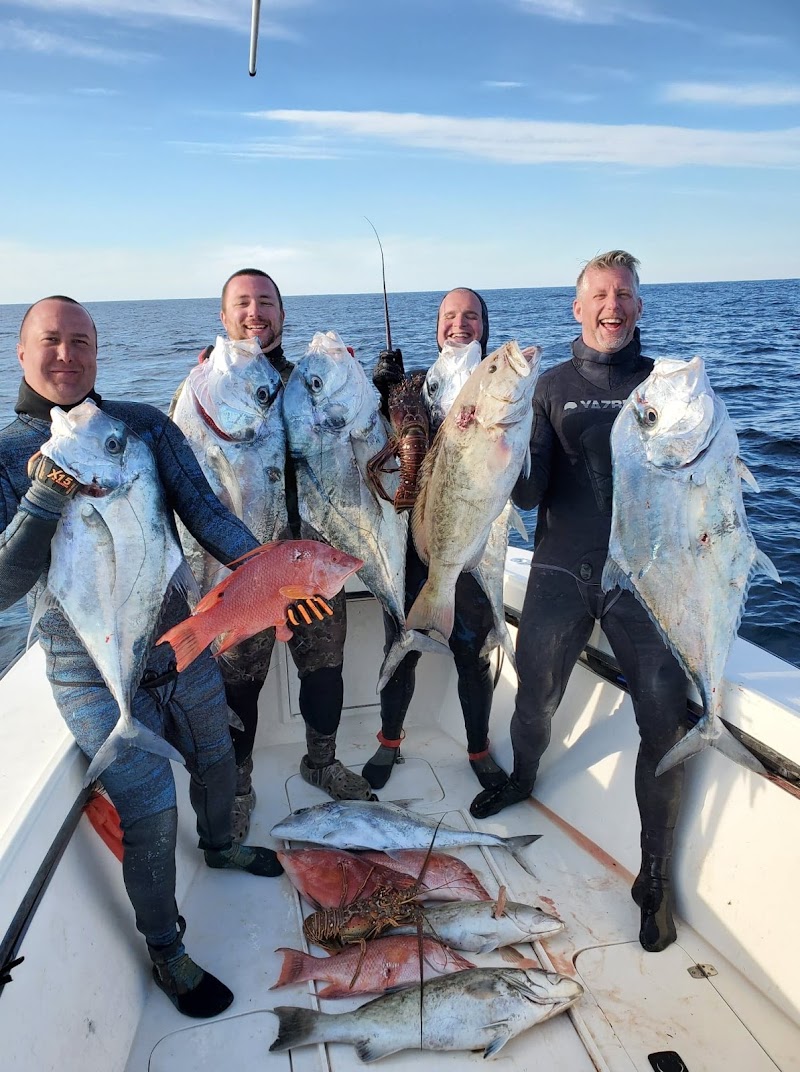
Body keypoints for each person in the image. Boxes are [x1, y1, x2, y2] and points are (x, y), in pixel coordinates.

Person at [0, 296, 285, 1020]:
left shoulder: (143, 426)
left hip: (175, 642)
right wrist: (41, 499)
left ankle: (220, 845)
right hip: (87, 670)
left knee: (220, 753)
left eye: (82, 343)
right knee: (151, 805)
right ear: (21, 351)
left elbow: (205, 511)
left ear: (98, 351)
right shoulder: (7, 455)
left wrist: (274, 573)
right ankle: (167, 948)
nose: (67, 356)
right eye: (51, 342)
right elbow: (5, 585)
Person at [469, 251, 689, 954]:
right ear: (577, 307)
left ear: (640, 307)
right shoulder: (549, 386)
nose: (612, 305)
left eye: (623, 294)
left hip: (645, 581)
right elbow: (530, 495)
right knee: (534, 695)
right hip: (562, 570)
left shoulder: (668, 385)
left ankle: (653, 879)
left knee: (668, 721)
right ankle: (523, 777)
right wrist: (498, 458)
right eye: (599, 294)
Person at [187, 269, 374, 837]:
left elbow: (358, 441)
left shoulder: (307, 381)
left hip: (316, 562)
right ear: (223, 317)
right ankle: (239, 784)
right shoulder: (203, 386)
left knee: (324, 668)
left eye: (265, 302)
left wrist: (368, 382)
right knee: (239, 679)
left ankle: (321, 761)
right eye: (241, 303)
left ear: (282, 313)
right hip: (244, 566)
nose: (254, 312)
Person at [362, 287, 509, 792]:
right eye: (450, 316)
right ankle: (389, 740)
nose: (460, 324)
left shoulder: (496, 384)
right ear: (437, 326)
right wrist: (381, 392)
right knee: (402, 643)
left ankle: (479, 748)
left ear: (484, 327)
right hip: (410, 537)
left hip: (471, 541)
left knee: (474, 649)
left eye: (471, 316)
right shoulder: (414, 386)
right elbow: (372, 442)